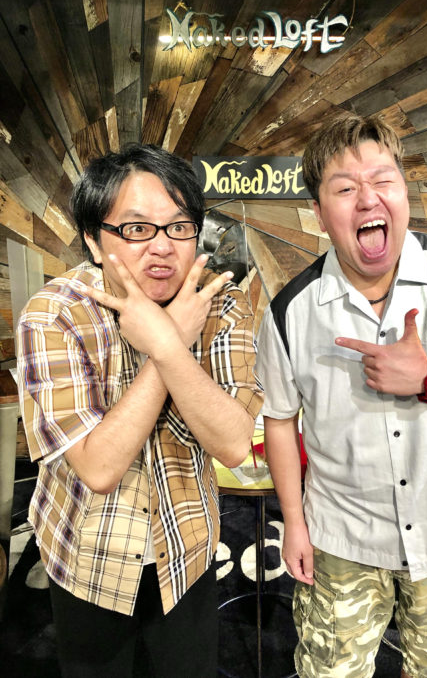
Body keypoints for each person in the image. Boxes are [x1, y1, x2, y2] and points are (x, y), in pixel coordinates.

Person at [256, 112, 427, 678]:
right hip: (343, 540)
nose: (369, 199)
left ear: (404, 191)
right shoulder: (291, 310)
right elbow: (281, 420)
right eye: (345, 188)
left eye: (383, 180)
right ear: (318, 212)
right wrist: (294, 522)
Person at [16, 144, 263, 678]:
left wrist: (166, 344)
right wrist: (170, 343)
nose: (163, 247)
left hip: (187, 548)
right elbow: (98, 467)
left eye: (179, 226)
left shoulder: (222, 304)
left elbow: (233, 444)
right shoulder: (54, 314)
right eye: (136, 229)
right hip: (88, 555)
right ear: (92, 238)